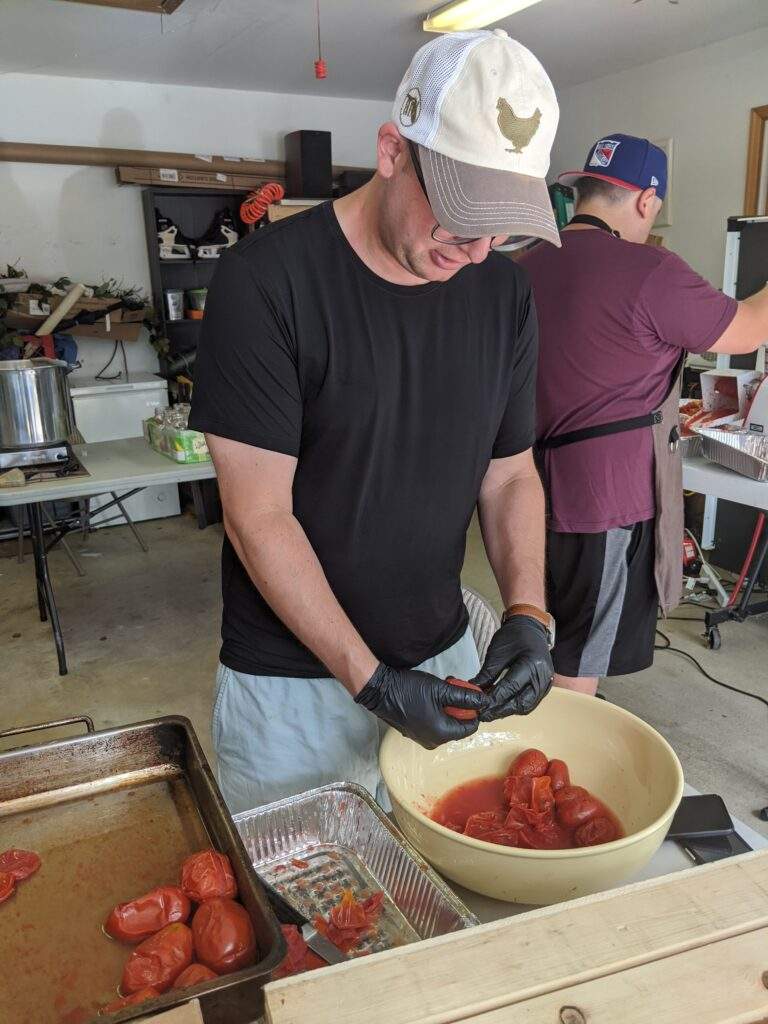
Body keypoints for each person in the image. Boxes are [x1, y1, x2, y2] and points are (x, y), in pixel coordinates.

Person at [188, 29, 561, 814]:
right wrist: (371, 681)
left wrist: (527, 612)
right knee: (305, 923)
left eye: (503, 223)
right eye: (461, 213)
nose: (479, 247)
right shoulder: (268, 284)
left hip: (445, 656)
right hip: (292, 688)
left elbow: (510, 474)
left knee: (436, 907)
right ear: (392, 150)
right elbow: (259, 515)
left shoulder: (504, 294)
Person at [519, 133, 768, 696]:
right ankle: (556, 770)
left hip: (524, 487)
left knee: (543, 626)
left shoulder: (526, 264)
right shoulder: (651, 270)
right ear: (645, 201)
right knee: (583, 658)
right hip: (605, 498)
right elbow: (749, 329)